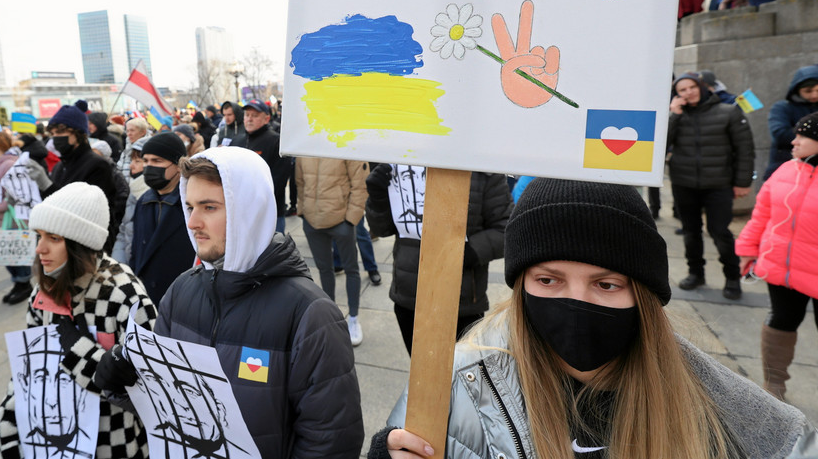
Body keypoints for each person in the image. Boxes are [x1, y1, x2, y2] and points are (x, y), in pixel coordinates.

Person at [370, 177, 818, 459]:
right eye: (549, 280)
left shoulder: (718, 402)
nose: (575, 302)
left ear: (642, 296)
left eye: (606, 284)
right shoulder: (456, 382)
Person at [94, 147, 364, 458]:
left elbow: (331, 442)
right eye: (190, 206)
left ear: (248, 211)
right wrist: (124, 381)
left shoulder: (310, 314)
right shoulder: (182, 290)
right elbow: (168, 405)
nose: (192, 222)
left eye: (209, 207)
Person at [0, 182, 157, 459]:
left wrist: (78, 350)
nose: (40, 248)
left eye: (53, 238)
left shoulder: (124, 294)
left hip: (115, 441)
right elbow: (26, 375)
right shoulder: (42, 293)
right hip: (54, 440)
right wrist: (5, 434)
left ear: (81, 244)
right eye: (39, 236)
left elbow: (149, 390)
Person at [366, 164, 512, 355]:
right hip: (409, 295)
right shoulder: (401, 166)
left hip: (461, 300)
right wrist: (378, 197)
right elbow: (382, 229)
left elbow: (506, 229)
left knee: (459, 373)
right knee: (420, 370)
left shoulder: (482, 170)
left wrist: (468, 251)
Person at [736, 112, 818, 401]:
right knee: (781, 320)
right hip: (782, 267)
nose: (793, 141)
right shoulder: (785, 170)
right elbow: (761, 216)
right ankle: (774, 386)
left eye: (802, 135)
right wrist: (747, 250)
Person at [667, 72, 754, 300]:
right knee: (690, 231)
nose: (688, 93)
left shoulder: (728, 112)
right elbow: (662, 144)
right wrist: (674, 114)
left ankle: (732, 277)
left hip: (718, 184)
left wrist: (742, 182)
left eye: (691, 87)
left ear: (702, 87)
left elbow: (744, 149)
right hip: (684, 183)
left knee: (720, 232)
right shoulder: (677, 115)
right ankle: (696, 273)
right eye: (682, 90)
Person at [295, 156, 369, 346]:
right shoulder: (305, 147)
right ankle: (331, 316)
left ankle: (353, 318)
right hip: (312, 221)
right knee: (324, 270)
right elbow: (300, 181)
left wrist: (351, 219)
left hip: (341, 220)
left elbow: (360, 185)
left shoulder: (344, 144)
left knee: (351, 269)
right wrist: (302, 211)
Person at [44, 101, 121, 254]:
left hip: (86, 249)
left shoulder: (97, 165)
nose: (55, 138)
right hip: (62, 245)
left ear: (78, 134)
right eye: (53, 134)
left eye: (60, 133)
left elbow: (95, 213)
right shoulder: (60, 166)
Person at [129, 132, 196, 306]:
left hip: (182, 297)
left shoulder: (192, 203)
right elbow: (136, 250)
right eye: (146, 161)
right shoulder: (143, 201)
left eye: (157, 161)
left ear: (178, 165)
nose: (149, 167)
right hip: (146, 299)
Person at [0, 132, 39, 305]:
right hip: (4, 213)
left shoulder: (7, 163)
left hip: (10, 214)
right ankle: (19, 283)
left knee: (14, 249)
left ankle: (23, 283)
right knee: (8, 251)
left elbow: (14, 192)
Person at [232, 100, 292, 233]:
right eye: (247, 115)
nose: (249, 119)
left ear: (267, 119)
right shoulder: (237, 141)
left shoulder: (277, 142)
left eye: (255, 115)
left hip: (269, 213)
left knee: (272, 252)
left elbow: (278, 180)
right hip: (240, 211)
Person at [765, 64, 818, 179]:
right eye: (808, 91)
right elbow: (780, 134)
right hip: (785, 166)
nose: (814, 95)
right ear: (797, 90)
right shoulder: (783, 108)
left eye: (817, 90)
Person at [110, 136, 149, 266]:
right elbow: (124, 231)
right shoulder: (134, 190)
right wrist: (118, 264)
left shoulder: (149, 195)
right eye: (132, 160)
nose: (131, 165)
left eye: (138, 161)